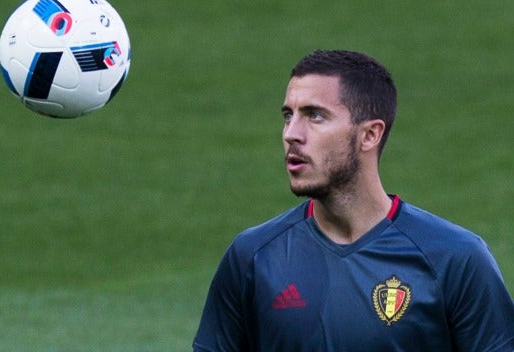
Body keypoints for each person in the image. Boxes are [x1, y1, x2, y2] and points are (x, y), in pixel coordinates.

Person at [193, 50, 514, 351]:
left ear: (370, 135)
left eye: (315, 116)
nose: (291, 133)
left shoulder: (453, 258)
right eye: (288, 115)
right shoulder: (252, 258)